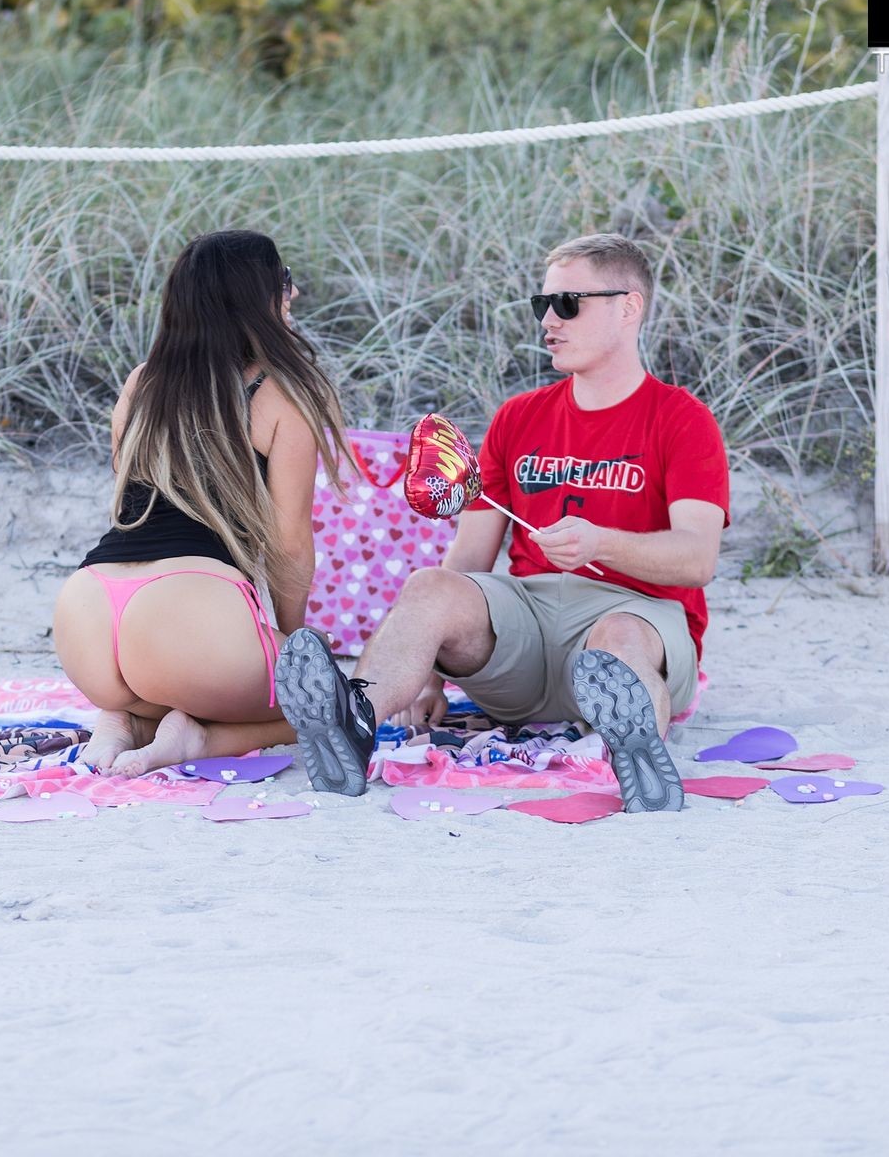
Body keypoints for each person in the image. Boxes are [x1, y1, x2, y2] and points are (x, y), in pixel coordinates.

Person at [273, 233, 730, 811]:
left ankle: (635, 750)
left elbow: (697, 558)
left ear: (628, 307)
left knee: (619, 639)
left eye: (567, 304)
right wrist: (427, 671)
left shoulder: (682, 419)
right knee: (430, 585)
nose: (549, 321)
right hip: (528, 626)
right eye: (543, 304)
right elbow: (469, 561)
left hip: (635, 613)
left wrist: (601, 544)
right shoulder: (519, 417)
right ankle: (353, 722)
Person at [53, 229, 353, 776]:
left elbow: (127, 491)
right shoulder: (281, 393)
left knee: (173, 678)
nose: (293, 293)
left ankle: (123, 720)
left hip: (87, 614)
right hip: (189, 614)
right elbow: (289, 545)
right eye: (284, 280)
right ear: (254, 298)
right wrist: (290, 642)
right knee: (336, 700)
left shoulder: (141, 383)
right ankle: (196, 740)